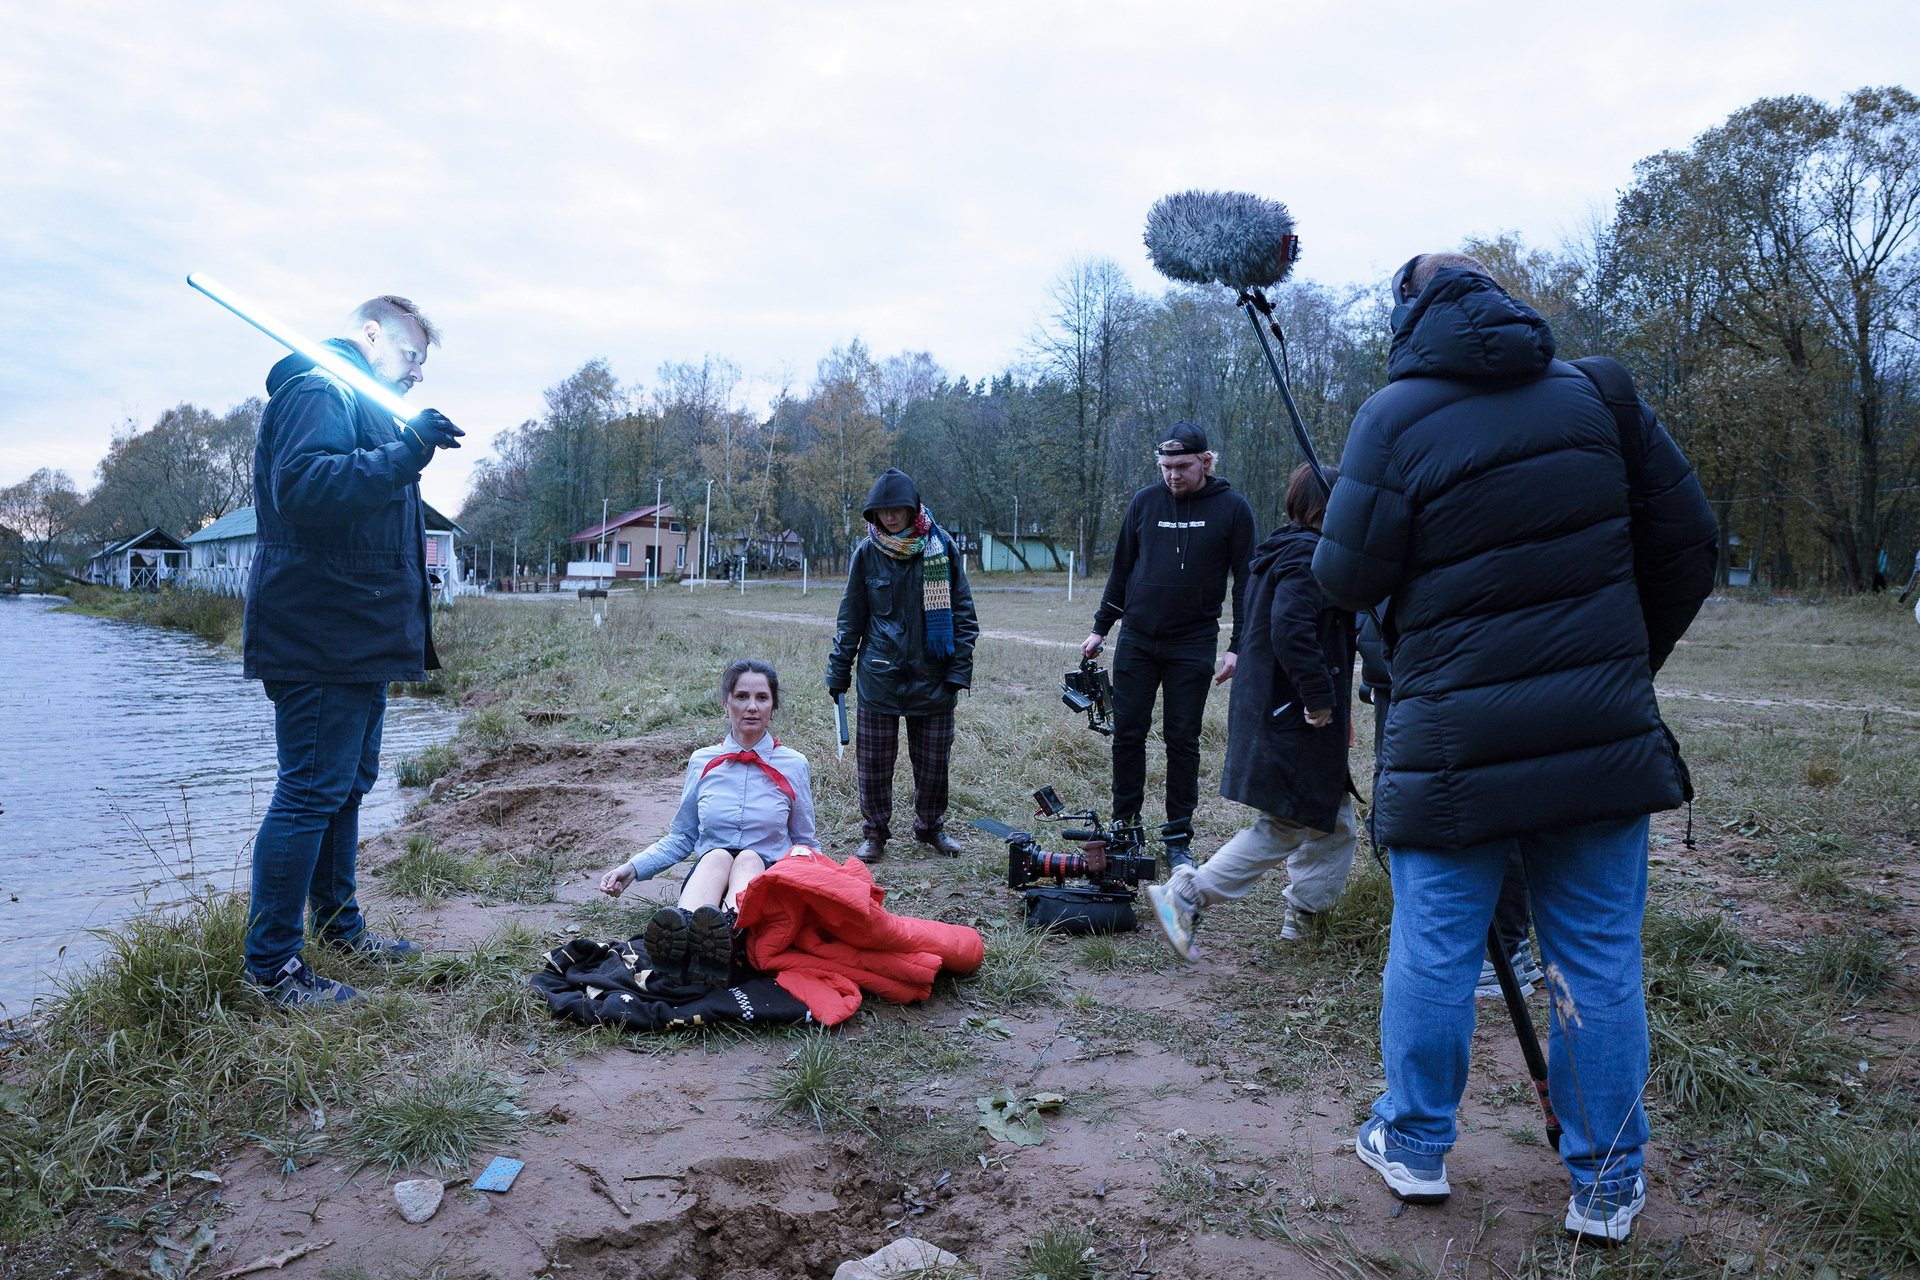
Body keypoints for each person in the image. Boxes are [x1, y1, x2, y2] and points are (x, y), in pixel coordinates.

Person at [1314, 253, 1717, 1243]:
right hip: (1596, 737)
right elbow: (1690, 542)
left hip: (1452, 744)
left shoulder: (1392, 417)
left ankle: (1414, 1142)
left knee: (1435, 950)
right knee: (1596, 958)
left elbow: (1344, 578)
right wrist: (1621, 666)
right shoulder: (1601, 394)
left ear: (1408, 316)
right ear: (1500, 297)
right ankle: (1608, 1181)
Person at [242, 295, 465, 1007]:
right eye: (412, 355)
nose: (418, 373)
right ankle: (271, 969)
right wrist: (408, 452)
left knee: (343, 787)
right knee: (310, 790)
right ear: (371, 334)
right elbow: (305, 488)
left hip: (358, 634)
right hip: (319, 632)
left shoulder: (363, 405)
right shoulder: (319, 390)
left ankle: (339, 930)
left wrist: (404, 446)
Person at [1145, 463, 1357, 958]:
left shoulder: (1287, 549)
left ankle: (1305, 915)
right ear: (1329, 508)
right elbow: (1290, 627)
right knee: (1285, 823)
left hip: (1274, 710)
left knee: (1333, 817)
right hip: (1291, 716)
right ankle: (1187, 895)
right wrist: (1318, 694)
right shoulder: (1305, 556)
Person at [1082, 423, 1255, 867]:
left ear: (1205, 462)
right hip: (1138, 639)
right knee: (1128, 734)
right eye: (1166, 467)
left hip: (1193, 641)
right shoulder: (1145, 502)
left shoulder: (1233, 509)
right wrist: (1101, 628)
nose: (1173, 475)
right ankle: (1126, 829)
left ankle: (1178, 838)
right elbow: (1122, 569)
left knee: (1183, 739)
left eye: (1182, 466)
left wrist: (1238, 645)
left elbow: (1247, 583)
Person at [598, 659, 815, 989]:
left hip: (765, 883)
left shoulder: (794, 764)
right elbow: (682, 836)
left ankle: (724, 938)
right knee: (716, 856)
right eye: (741, 696)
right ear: (725, 703)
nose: (752, 707)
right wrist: (632, 868)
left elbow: (804, 842)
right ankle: (688, 937)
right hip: (708, 882)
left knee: (748, 857)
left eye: (762, 698)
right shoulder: (702, 761)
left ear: (773, 706)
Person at [825, 469, 979, 861]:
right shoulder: (867, 553)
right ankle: (874, 834)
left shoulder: (942, 547)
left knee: (933, 764)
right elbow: (850, 618)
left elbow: (963, 615)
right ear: (873, 513)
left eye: (898, 509)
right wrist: (838, 671)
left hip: (934, 677)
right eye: (883, 510)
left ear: (912, 509)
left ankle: (930, 827)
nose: (890, 516)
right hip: (879, 677)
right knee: (873, 764)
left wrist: (957, 673)